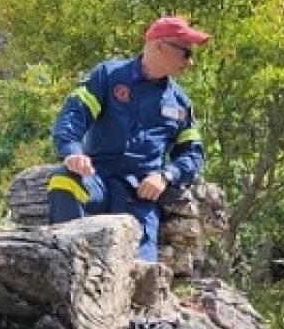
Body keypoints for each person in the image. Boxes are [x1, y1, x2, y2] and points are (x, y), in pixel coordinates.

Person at [47, 16, 209, 262]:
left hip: (139, 196)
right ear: (159, 45)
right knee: (64, 181)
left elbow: (193, 155)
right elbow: (73, 115)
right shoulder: (108, 76)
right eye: (186, 53)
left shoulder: (180, 103)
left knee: (141, 271)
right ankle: (68, 264)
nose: (190, 62)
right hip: (98, 180)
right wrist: (72, 152)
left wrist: (166, 176)